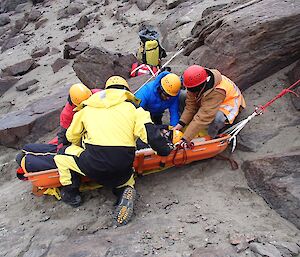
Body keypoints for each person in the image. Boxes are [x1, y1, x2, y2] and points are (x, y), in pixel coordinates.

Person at [54, 76, 173, 226]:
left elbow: (71, 136)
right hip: (123, 165)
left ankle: (71, 193)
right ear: (126, 91)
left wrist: (79, 147)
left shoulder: (87, 108)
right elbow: (151, 135)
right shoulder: (134, 109)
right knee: (125, 177)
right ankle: (124, 190)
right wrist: (165, 149)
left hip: (94, 165)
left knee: (62, 155)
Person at [15, 83, 99, 180]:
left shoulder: (98, 95)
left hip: (88, 139)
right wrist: (61, 151)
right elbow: (64, 137)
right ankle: (26, 160)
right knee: (60, 151)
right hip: (79, 140)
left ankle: (26, 159)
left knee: (60, 152)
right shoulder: (68, 113)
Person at [173, 65, 246, 147]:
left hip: (229, 104)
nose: (190, 92)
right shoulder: (195, 83)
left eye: (192, 90)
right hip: (209, 100)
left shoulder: (218, 91)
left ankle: (210, 138)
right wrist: (180, 125)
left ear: (200, 86)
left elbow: (204, 116)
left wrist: (185, 139)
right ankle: (191, 128)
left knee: (217, 118)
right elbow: (190, 106)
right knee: (182, 96)